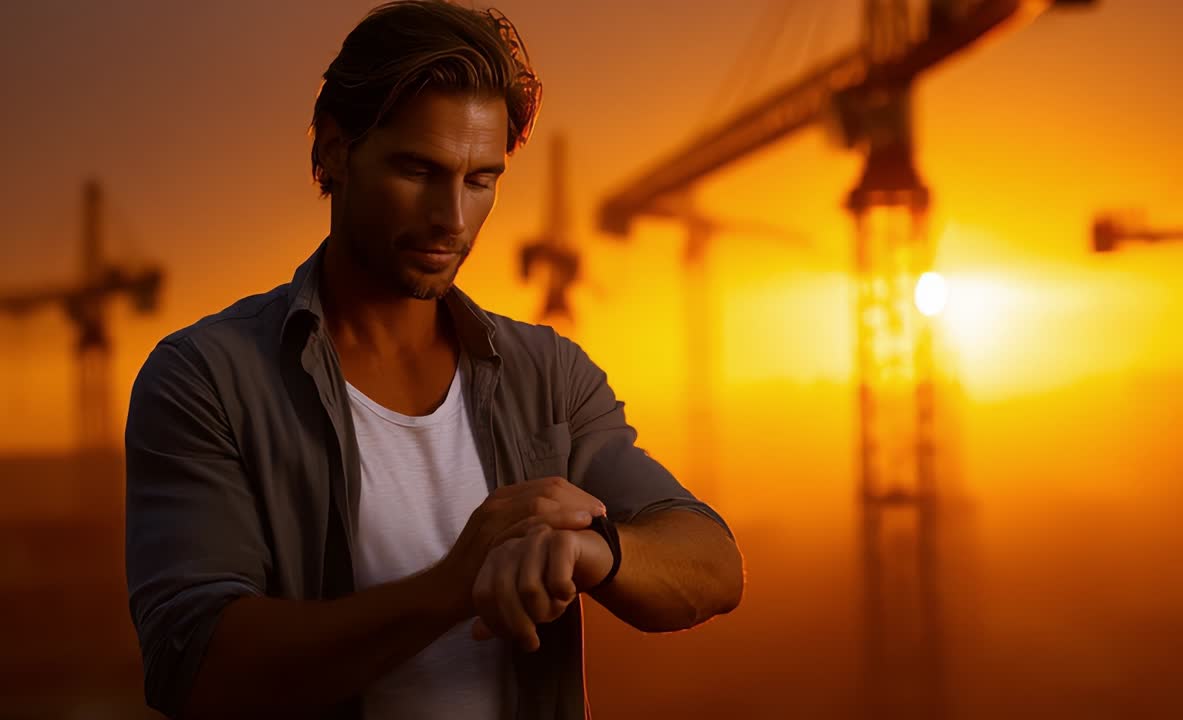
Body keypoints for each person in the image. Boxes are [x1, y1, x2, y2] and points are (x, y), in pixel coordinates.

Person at [122, 2, 743, 719]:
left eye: (481, 180)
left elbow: (713, 564)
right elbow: (194, 665)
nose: (452, 218)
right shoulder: (206, 379)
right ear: (334, 150)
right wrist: (452, 584)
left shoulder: (548, 375)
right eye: (419, 170)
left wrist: (595, 553)